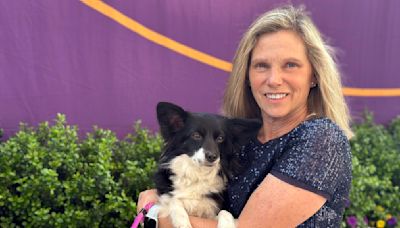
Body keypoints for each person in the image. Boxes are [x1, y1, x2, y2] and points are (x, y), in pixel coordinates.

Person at [137, 4, 353, 227]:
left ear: (314, 75)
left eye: (290, 65)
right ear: (247, 76)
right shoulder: (241, 142)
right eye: (261, 65)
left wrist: (159, 215)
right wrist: (164, 196)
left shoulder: (321, 139)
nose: (274, 79)